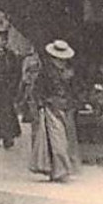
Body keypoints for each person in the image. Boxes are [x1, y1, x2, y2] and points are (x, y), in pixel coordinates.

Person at [29, 39, 79, 183]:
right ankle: (60, 171)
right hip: (52, 108)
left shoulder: (66, 72)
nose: (61, 61)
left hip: (64, 108)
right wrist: (42, 105)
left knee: (61, 140)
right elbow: (37, 91)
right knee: (58, 141)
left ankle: (57, 170)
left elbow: (73, 91)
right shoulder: (46, 72)